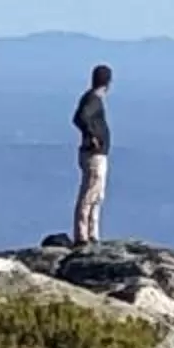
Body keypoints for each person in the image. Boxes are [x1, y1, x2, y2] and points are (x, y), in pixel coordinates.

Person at [70, 63, 113, 245]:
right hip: (94, 155)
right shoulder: (93, 100)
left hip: (94, 153)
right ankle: (83, 235)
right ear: (108, 83)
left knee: (97, 194)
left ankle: (92, 233)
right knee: (90, 193)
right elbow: (80, 117)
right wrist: (92, 135)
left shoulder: (90, 98)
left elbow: (79, 117)